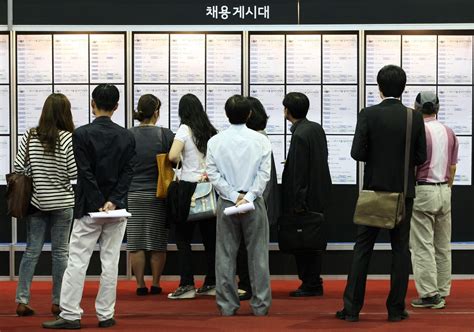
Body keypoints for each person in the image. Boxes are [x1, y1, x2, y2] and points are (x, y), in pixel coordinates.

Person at [336, 65, 427, 322]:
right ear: (403, 88)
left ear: (379, 87)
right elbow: (421, 156)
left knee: (362, 249)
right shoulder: (414, 117)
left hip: (374, 192)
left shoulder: (368, 114)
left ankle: (351, 309)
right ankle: (396, 309)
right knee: (400, 251)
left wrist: (375, 158)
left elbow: (356, 153)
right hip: (403, 193)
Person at [43, 84, 136, 329]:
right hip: (117, 209)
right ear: (117, 106)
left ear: (92, 103)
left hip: (88, 209)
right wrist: (112, 201)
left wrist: (97, 202)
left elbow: (84, 173)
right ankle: (106, 315)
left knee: (77, 261)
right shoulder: (127, 136)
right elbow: (128, 173)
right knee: (111, 262)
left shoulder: (81, 134)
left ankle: (71, 314)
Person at [207, 95, 272, 316]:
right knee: (258, 255)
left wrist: (234, 196)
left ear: (226, 114)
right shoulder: (261, 140)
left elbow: (213, 175)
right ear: (249, 114)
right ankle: (260, 305)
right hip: (254, 203)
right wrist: (250, 196)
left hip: (227, 202)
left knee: (225, 254)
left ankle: (227, 305)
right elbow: (264, 175)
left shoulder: (215, 141)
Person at [14, 93, 77, 317]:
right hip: (62, 202)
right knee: (61, 253)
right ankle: (58, 302)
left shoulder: (30, 136)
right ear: (66, 113)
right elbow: (73, 172)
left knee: (31, 251)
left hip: (36, 202)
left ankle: (22, 300)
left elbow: (18, 167)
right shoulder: (69, 139)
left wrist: (37, 175)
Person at [410, 91, 458, 309]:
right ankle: (442, 289)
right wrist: (446, 187)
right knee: (442, 244)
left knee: (422, 244)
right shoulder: (449, 132)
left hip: (423, 190)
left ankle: (429, 294)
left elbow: (412, 166)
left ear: (417, 108)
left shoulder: (417, 132)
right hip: (444, 191)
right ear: (437, 108)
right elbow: (453, 167)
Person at [167, 94, 218, 299]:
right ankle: (212, 283)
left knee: (183, 239)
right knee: (211, 241)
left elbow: (172, 156)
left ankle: (187, 284)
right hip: (208, 188)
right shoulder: (211, 131)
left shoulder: (184, 130)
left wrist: (181, 159)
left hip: (188, 190)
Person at [281, 92, 332, 298]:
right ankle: (313, 280)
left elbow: (299, 172)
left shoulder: (300, 135)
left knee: (304, 242)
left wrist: (298, 201)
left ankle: (310, 282)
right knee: (313, 240)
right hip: (319, 193)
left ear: (288, 111)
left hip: (305, 198)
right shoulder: (315, 128)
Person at [127, 94, 174, 296]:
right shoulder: (165, 135)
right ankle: (155, 283)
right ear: (156, 112)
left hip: (133, 194)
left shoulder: (127, 135)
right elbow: (174, 160)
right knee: (157, 242)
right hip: (158, 194)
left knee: (136, 242)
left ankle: (139, 285)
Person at [237, 96, 280, 301]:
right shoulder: (261, 138)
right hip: (257, 201)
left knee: (248, 249)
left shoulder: (256, 140)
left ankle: (248, 286)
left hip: (252, 202)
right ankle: (253, 287)